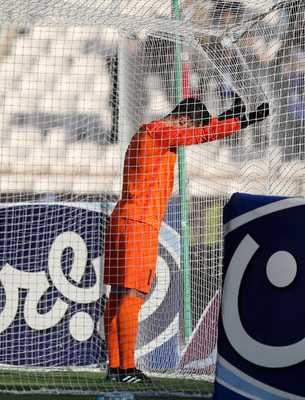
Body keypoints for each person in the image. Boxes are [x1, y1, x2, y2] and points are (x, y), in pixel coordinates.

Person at [102, 96, 269, 383]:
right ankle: (126, 369)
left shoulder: (150, 132)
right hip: (139, 223)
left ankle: (116, 367)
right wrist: (241, 122)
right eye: (186, 128)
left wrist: (226, 118)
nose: (186, 136)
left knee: (119, 295)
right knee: (132, 295)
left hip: (124, 219)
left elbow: (198, 131)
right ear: (181, 120)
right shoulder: (159, 130)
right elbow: (199, 134)